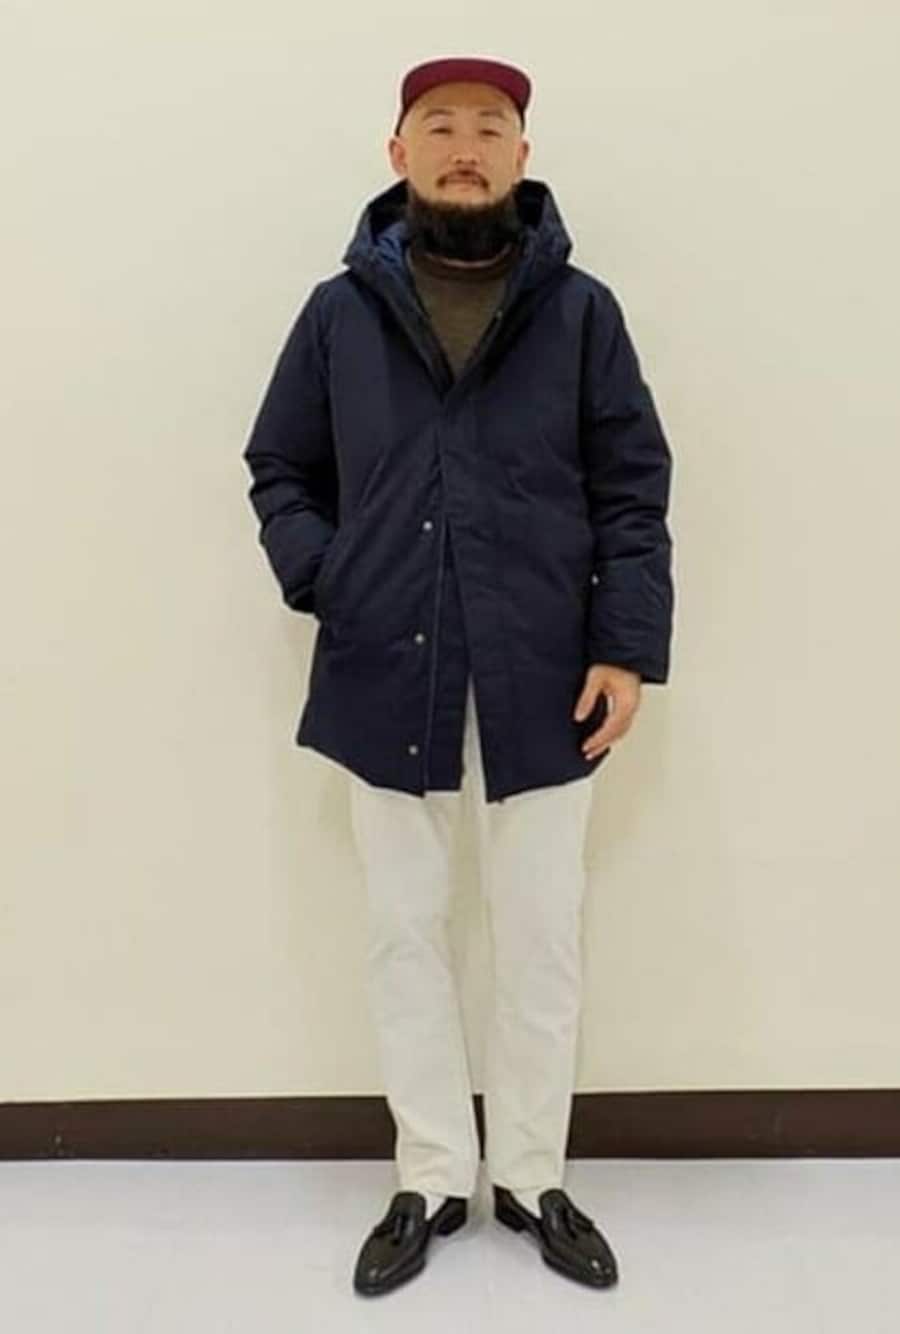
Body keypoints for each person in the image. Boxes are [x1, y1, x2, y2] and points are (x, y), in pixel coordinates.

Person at [241, 55, 675, 1297]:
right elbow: (280, 465)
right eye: (440, 125)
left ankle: (531, 1171)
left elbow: (632, 484)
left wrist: (623, 643)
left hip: (547, 671)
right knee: (402, 931)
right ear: (399, 154)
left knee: (540, 933)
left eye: (491, 126)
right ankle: (430, 1170)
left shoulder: (580, 313)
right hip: (385, 665)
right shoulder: (337, 314)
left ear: (522, 156)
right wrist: (331, 576)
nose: (466, 146)